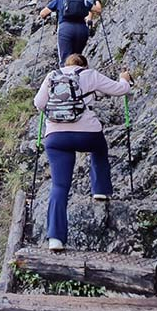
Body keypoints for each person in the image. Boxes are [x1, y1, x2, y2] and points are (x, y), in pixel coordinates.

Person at [33, 53, 132, 251]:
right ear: (84, 65)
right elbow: (120, 90)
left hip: (56, 137)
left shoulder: (52, 75)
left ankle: (55, 239)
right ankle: (100, 190)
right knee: (99, 149)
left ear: (66, 64)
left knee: (59, 186)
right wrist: (125, 78)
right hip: (87, 134)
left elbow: (39, 104)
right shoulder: (90, 75)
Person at [39, 0, 102, 66]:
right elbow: (98, 10)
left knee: (65, 60)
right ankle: (79, 76)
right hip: (82, 30)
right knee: (77, 58)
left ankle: (66, 77)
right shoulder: (82, 0)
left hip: (66, 29)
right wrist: (96, 0)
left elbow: (43, 13)